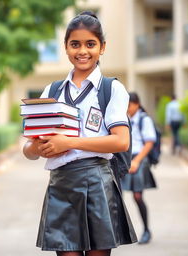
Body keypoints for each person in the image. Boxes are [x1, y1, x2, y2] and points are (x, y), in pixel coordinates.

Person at [23, 11, 137, 256]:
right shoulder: (52, 90)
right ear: (65, 47)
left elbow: (121, 141)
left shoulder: (111, 89)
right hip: (61, 184)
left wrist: (68, 142)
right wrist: (37, 148)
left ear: (102, 47)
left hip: (97, 182)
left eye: (90, 44)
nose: (82, 51)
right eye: (75, 44)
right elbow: (30, 150)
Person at [121, 92, 157, 245]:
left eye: (129, 105)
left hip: (138, 159)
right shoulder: (124, 119)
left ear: (137, 104)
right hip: (123, 159)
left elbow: (149, 142)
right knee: (116, 197)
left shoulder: (144, 119)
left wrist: (136, 161)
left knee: (137, 196)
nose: (127, 109)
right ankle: (118, 232)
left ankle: (146, 230)